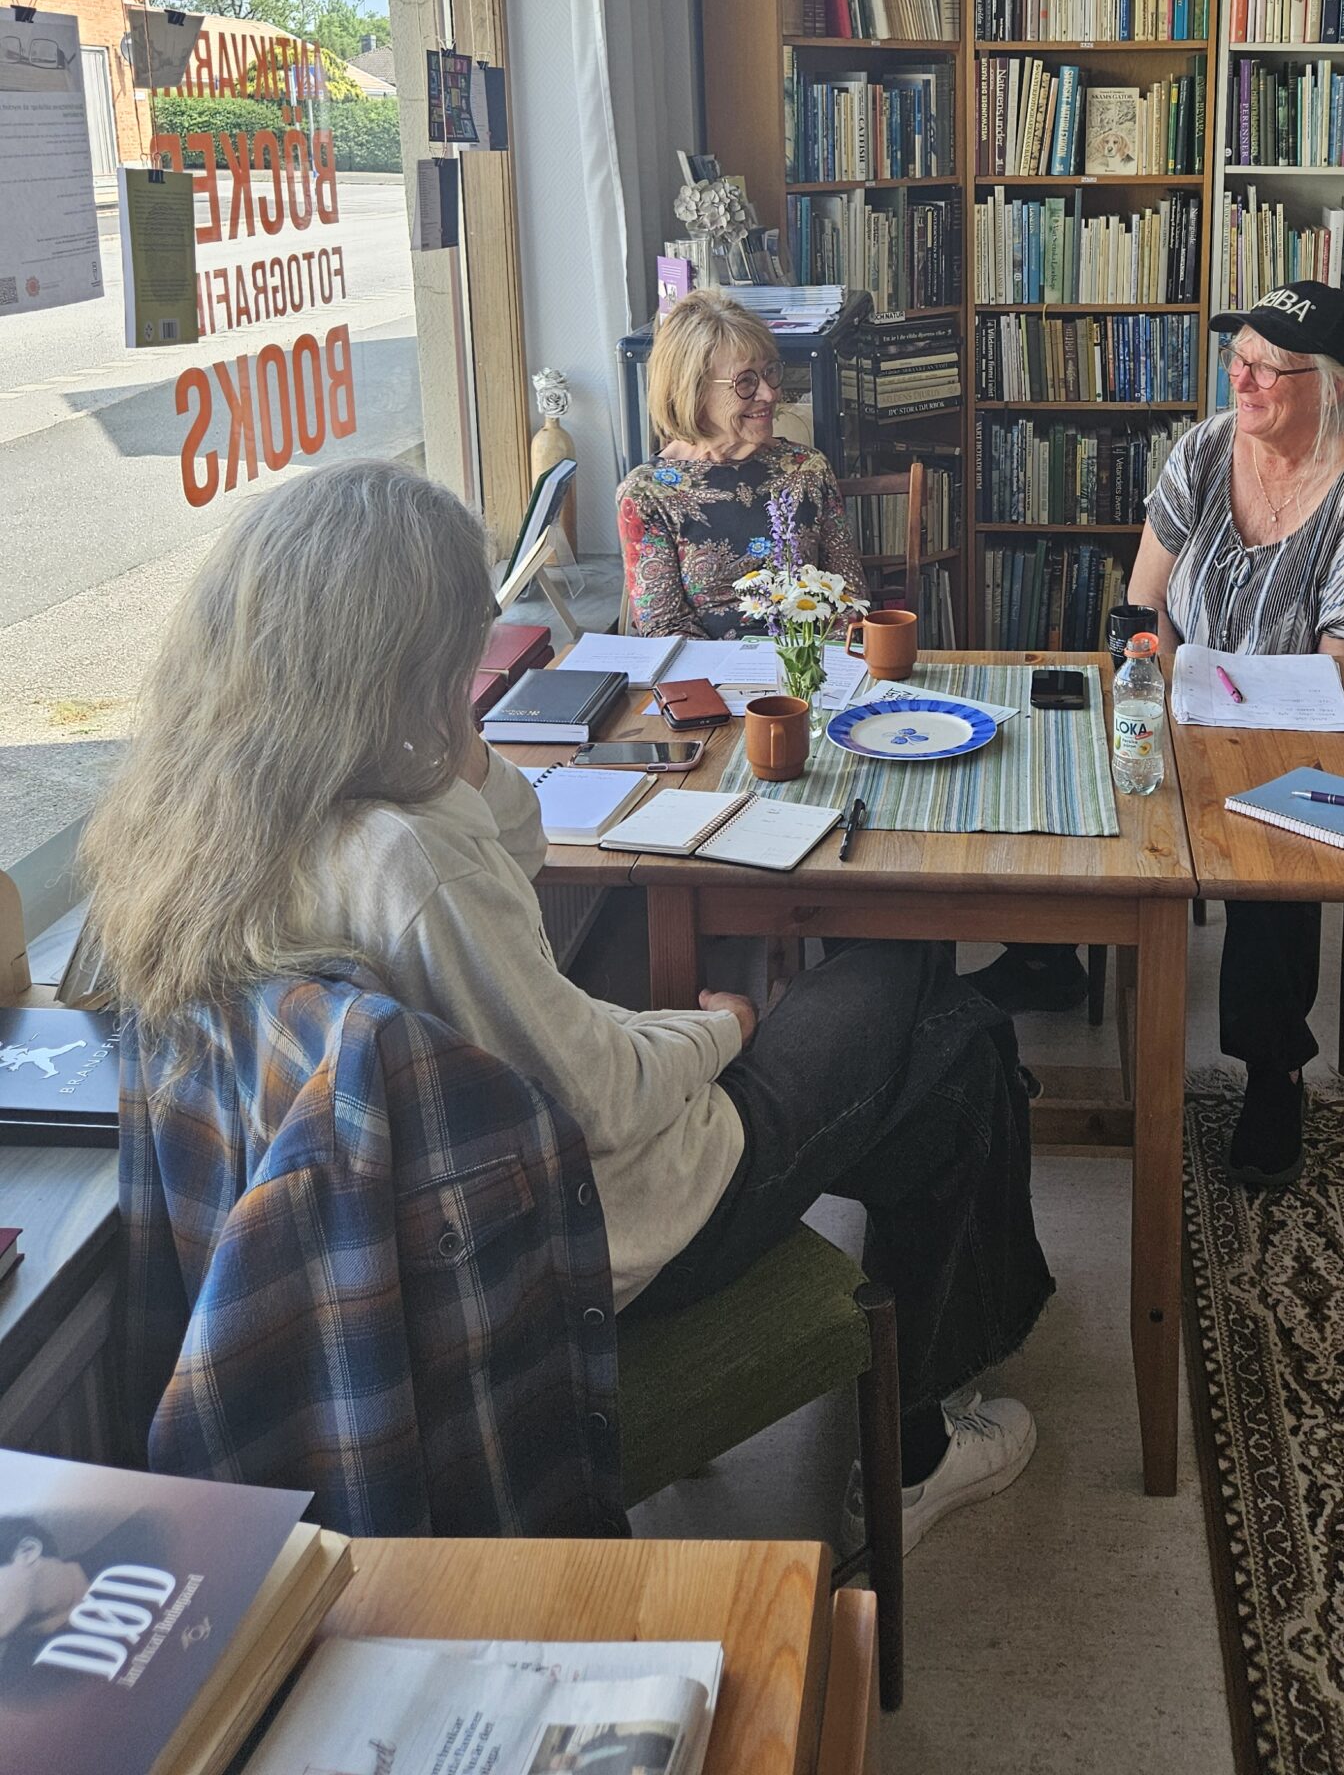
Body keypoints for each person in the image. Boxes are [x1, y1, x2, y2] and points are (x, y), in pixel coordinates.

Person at [83, 462, 1052, 1551]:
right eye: (459, 654)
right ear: (405, 662)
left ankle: (918, 1435)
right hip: (613, 1223)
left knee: (955, 1053)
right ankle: (912, 1456)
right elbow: (601, 1098)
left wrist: (455, 748)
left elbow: (527, 863)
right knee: (907, 971)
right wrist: (723, 1026)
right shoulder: (410, 861)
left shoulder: (205, 830)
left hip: (471, 1227)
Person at [1127, 281, 1344, 1189]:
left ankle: (1272, 1069)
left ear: (1330, 387)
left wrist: (1228, 735)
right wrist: (1152, 695)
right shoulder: (1206, 447)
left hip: (1322, 730)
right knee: (1097, 777)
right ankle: (1050, 962)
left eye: (1266, 367)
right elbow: (1146, 597)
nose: (1241, 378)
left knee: (1271, 846)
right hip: (1193, 701)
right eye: (1238, 358)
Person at [618, 290, 866, 637]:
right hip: (708, 668)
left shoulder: (805, 469)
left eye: (770, 372)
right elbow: (664, 627)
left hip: (808, 662)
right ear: (693, 390)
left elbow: (849, 596)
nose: (769, 393)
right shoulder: (648, 494)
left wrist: (812, 663)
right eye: (746, 381)